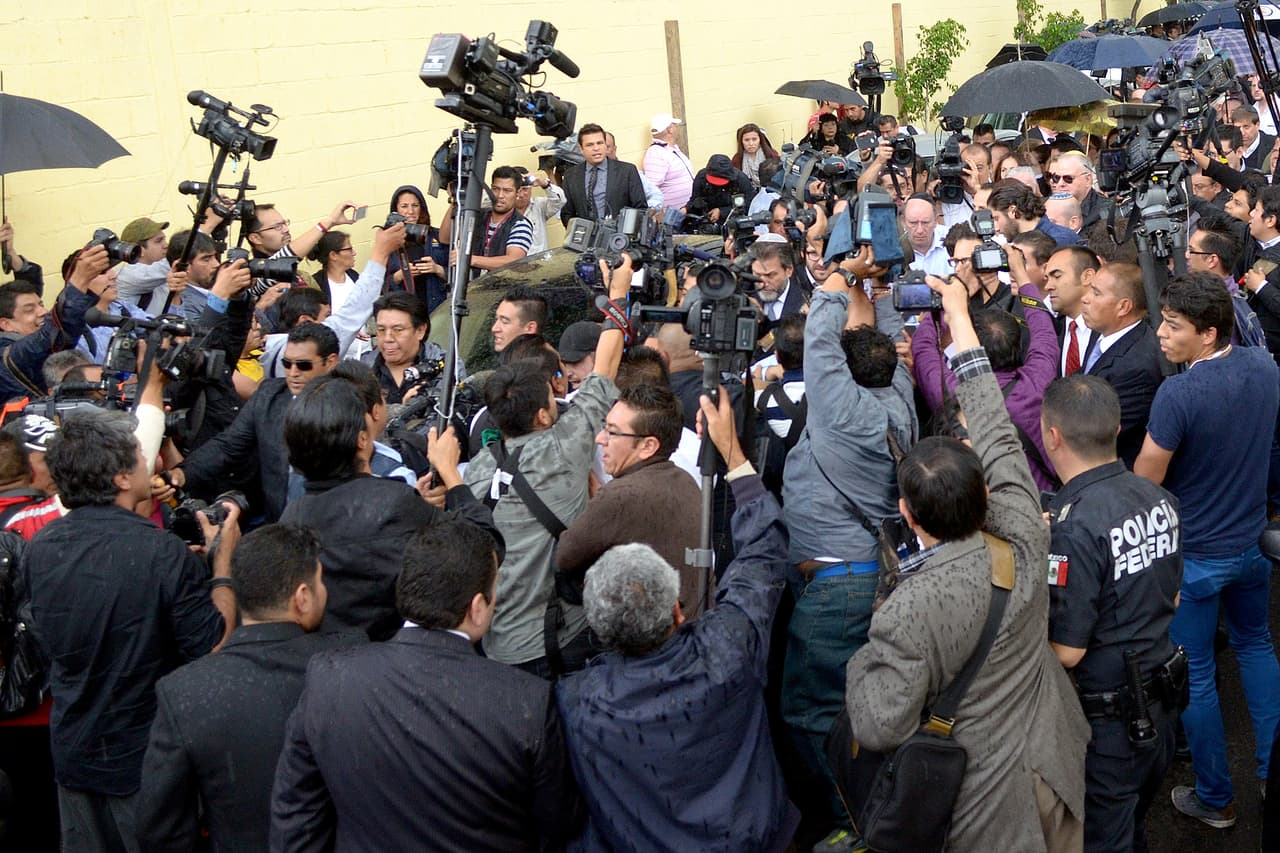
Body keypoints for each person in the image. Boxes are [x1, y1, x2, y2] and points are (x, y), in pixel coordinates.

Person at [845, 271, 1090, 853]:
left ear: (908, 515)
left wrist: (858, 664)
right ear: (988, 492)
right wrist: (957, 314)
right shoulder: (1027, 530)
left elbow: (880, 724)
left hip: (984, 806)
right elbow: (998, 432)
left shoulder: (909, 609)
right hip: (1055, 767)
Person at [556, 389, 797, 851]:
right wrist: (732, 453)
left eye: (612, 431)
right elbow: (765, 549)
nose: (602, 440)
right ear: (678, 610)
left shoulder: (576, 701)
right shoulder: (728, 647)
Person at [271, 518, 583, 851]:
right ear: (478, 608)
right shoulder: (526, 702)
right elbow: (559, 822)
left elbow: (296, 818)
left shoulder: (330, 678)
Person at [21, 408, 238, 851]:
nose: (152, 464)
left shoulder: (41, 546)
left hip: (72, 752)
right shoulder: (158, 550)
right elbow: (213, 644)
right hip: (143, 761)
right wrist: (222, 567)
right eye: (141, 457)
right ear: (121, 477)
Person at [780, 248, 917, 847]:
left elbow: (819, 338)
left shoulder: (841, 412)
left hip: (837, 590)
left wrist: (839, 275)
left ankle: (852, 824)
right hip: (878, 575)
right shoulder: (900, 397)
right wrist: (875, 285)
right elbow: (885, 333)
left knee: (811, 716)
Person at [1134, 272, 1280, 829]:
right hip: (1249, 547)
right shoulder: (1265, 367)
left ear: (1209, 332)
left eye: (1173, 327)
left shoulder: (1179, 393)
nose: (1161, 336)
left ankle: (1216, 799)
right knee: (1257, 648)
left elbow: (1146, 480)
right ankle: (1269, 776)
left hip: (1193, 559)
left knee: (1194, 675)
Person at [136, 524, 360, 853]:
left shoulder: (185, 693)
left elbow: (161, 831)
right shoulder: (354, 664)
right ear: (302, 597)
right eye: (320, 580)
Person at [463, 256, 630, 677]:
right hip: (562, 638)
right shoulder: (565, 446)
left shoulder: (475, 472)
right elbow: (606, 365)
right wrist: (618, 296)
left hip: (496, 647)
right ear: (541, 415)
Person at [1040, 375, 1183, 853]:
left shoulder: (1074, 525)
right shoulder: (1159, 498)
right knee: (1133, 830)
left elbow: (1066, 651)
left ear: (1052, 435)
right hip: (1160, 708)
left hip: (1110, 725)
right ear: (1118, 427)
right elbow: (1173, 598)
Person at [279, 373, 498, 640]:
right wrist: (450, 473)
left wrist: (414, 499)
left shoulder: (290, 518)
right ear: (361, 439)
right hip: (386, 656)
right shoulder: (392, 506)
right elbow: (485, 547)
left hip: (321, 662)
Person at [161, 323, 341, 524]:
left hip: (333, 522)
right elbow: (228, 445)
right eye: (287, 363)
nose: (293, 372)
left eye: (304, 365)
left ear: (330, 362)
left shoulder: (350, 403)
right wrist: (182, 473)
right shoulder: (269, 395)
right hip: (278, 522)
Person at [555, 383, 703, 616]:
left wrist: (597, 503)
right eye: (604, 427)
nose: (600, 439)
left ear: (648, 446)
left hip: (654, 637)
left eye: (612, 432)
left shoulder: (620, 496)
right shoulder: (685, 480)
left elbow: (565, 556)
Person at [1078, 262, 1164, 469]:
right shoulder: (1102, 332)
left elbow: (1098, 432)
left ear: (1124, 306)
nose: (1085, 298)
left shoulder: (1138, 366)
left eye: (1097, 293)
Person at [0, 244, 101, 403]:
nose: (43, 312)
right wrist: (79, 280)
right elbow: (55, 334)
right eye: (29, 309)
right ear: (6, 324)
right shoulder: (8, 355)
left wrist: (11, 253)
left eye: (40, 304)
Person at [361, 291, 452, 405]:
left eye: (398, 330)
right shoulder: (362, 369)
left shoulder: (447, 367)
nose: (388, 338)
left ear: (420, 330)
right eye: (381, 330)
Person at [447, 165, 533, 275]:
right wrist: (455, 200)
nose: (500, 195)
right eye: (496, 189)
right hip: (473, 288)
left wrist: (469, 259)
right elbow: (445, 237)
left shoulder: (520, 224)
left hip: (502, 290)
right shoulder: (477, 216)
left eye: (507, 191)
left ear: (517, 192)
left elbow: (513, 261)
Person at [562, 124, 649, 223]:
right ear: (581, 148)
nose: (596, 148)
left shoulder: (627, 171)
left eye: (600, 143)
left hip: (619, 236)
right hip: (587, 235)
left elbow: (640, 209)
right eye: (590, 145)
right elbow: (567, 213)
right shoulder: (571, 176)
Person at [384, 184, 448, 311]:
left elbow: (460, 275)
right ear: (395, 211)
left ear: (422, 208)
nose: (410, 211)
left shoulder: (438, 236)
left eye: (415, 205)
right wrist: (399, 276)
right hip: (405, 312)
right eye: (404, 206)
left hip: (438, 309)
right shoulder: (388, 241)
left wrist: (437, 269)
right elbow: (378, 286)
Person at [1045, 246, 1102, 376]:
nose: (1048, 286)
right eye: (1047, 278)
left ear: (1088, 276)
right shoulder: (1052, 330)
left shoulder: (1113, 327)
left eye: (1057, 276)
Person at [988, 180, 1084, 248]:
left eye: (996, 218)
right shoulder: (1019, 242)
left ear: (1013, 211)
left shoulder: (1059, 241)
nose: (996, 228)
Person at [113, 217, 175, 312]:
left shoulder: (161, 271)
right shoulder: (126, 275)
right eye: (159, 241)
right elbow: (172, 264)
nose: (166, 245)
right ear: (137, 250)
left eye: (164, 239)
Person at [643, 112, 695, 210]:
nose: (677, 128)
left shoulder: (671, 149)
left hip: (685, 212)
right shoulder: (655, 153)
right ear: (670, 130)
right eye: (674, 125)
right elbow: (652, 188)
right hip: (672, 216)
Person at [686, 154, 754, 228]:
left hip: (734, 222)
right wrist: (686, 208)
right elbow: (694, 199)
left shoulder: (741, 180)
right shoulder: (701, 177)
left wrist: (722, 212)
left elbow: (748, 205)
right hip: (708, 223)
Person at [1049, 152, 1112, 229]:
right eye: (1056, 178)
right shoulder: (1046, 206)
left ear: (1088, 179)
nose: (1060, 183)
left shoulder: (1105, 212)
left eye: (1068, 178)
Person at [751, 240, 808, 322]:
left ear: (789, 270)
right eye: (757, 275)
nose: (763, 283)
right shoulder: (746, 300)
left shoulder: (806, 302)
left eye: (770, 275)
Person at [307, 229, 358, 307]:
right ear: (333, 255)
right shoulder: (316, 285)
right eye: (349, 249)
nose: (354, 253)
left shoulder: (354, 276)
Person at [491, 284, 548, 353]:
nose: (494, 328)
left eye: (504, 321)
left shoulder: (540, 362)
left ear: (530, 328)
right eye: (496, 319)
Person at [904, 194, 951, 276]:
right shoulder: (894, 247)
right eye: (913, 223)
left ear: (936, 221)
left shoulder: (954, 239)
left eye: (925, 223)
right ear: (904, 222)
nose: (920, 230)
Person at [732, 122, 780, 188]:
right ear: (741, 142)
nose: (751, 143)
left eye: (754, 139)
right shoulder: (737, 159)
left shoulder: (771, 154)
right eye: (747, 140)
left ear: (760, 139)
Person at [1235, 106, 1276, 172]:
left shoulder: (1273, 144)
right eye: (1238, 128)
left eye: (1246, 127)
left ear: (1257, 125)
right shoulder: (1229, 146)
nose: (1242, 133)